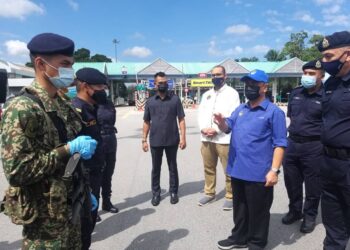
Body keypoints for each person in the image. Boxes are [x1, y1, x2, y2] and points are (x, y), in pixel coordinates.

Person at [0, 33, 97, 249]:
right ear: (40, 64)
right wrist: (67, 149)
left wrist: (84, 188)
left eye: (71, 65)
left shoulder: (63, 103)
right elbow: (17, 171)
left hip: (72, 207)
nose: (69, 71)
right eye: (64, 64)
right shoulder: (22, 108)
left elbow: (74, 159)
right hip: (45, 223)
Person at [215, 69, 287, 249]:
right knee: (240, 210)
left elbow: (280, 144)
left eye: (253, 84)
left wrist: (274, 171)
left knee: (258, 212)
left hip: (259, 173)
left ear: (264, 87)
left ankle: (256, 242)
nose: (249, 88)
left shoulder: (274, 112)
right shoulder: (241, 108)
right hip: (237, 169)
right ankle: (238, 238)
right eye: (247, 84)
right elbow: (228, 127)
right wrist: (222, 123)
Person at [282, 60, 324, 233]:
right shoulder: (296, 93)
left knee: (313, 185)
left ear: (321, 75)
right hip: (292, 143)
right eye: (305, 73)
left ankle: (310, 215)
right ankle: (295, 210)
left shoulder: (327, 96)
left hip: (314, 146)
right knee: (291, 182)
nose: (307, 76)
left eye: (312, 73)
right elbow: (291, 116)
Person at [317, 30, 350, 249]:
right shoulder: (331, 84)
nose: (323, 62)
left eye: (329, 57)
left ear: (347, 55)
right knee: (333, 221)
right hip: (329, 163)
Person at [72, 67, 107, 250]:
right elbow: (70, 152)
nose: (103, 91)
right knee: (83, 229)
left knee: (89, 225)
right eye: (100, 87)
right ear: (85, 86)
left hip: (94, 174)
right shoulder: (75, 110)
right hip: (82, 178)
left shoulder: (91, 108)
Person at [197, 65, 240, 210]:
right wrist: (203, 129)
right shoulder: (206, 94)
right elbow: (201, 114)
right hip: (206, 139)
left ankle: (230, 195)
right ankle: (209, 193)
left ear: (225, 76)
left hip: (223, 139)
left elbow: (232, 115)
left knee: (228, 169)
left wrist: (216, 130)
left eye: (218, 75)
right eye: (213, 75)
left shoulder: (232, 94)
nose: (215, 77)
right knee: (208, 167)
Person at [142, 72, 186, 206]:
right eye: (160, 83)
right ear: (155, 84)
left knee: (173, 167)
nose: (163, 85)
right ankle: (156, 193)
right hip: (155, 140)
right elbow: (146, 122)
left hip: (172, 139)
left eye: (165, 82)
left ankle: (174, 192)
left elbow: (181, 119)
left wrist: (183, 137)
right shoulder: (150, 102)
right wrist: (143, 139)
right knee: (156, 168)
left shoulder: (175, 100)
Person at [97, 97, 119, 213]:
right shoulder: (90, 103)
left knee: (108, 174)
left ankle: (107, 202)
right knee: (95, 177)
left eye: (103, 86)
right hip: (97, 141)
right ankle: (93, 208)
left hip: (110, 140)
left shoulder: (109, 103)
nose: (103, 88)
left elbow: (113, 120)